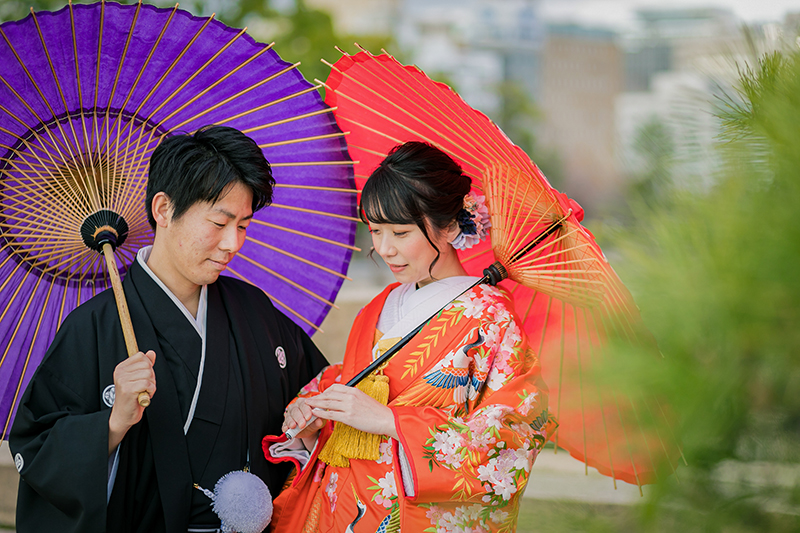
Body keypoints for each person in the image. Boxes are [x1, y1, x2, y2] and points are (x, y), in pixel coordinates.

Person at [9, 126, 329, 533]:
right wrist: (113, 424)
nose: (233, 243)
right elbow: (39, 450)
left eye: (243, 225)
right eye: (220, 222)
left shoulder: (254, 310)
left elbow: (319, 392)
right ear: (163, 209)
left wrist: (306, 424)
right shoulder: (93, 328)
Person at [264, 141, 555, 533]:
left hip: (409, 516)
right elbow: (347, 378)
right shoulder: (381, 304)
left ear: (450, 226)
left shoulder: (491, 318)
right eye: (375, 230)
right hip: (341, 505)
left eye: (400, 232)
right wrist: (313, 413)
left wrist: (389, 420)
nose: (384, 249)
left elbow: (513, 434)